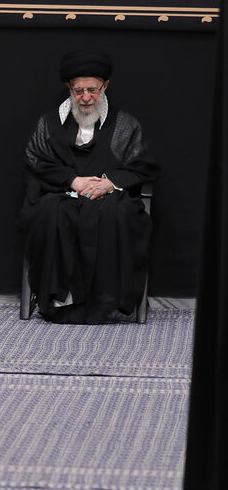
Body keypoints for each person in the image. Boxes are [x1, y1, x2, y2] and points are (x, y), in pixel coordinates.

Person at [20, 52, 160, 324]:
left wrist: (109, 183)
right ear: (69, 88)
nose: (85, 97)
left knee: (115, 215)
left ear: (105, 86)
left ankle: (105, 300)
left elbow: (142, 165)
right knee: (50, 213)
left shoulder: (125, 125)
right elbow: (35, 159)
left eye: (92, 90)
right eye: (79, 90)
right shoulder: (50, 123)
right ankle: (58, 300)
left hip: (110, 197)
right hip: (61, 194)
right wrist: (73, 180)